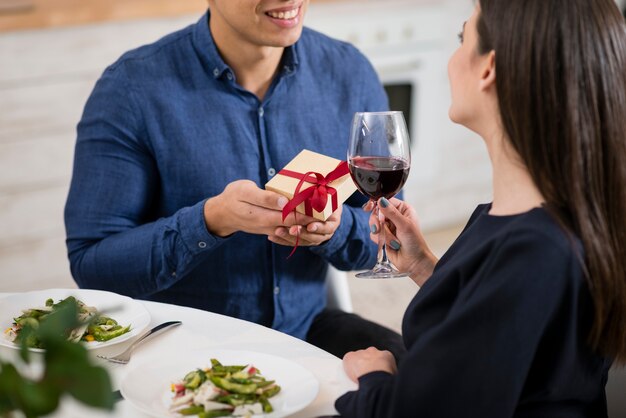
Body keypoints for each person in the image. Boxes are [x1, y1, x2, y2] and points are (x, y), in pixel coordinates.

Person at [64, 0, 406, 361]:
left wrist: (332, 230)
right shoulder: (131, 88)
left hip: (305, 333)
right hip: (182, 347)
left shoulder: (348, 72)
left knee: (428, 378)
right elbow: (93, 267)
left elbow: (388, 239)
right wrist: (209, 222)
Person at [335, 0, 626, 416]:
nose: (454, 57)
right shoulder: (537, 222)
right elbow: (497, 326)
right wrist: (424, 266)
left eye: (462, 37)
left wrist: (377, 374)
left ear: (488, 68)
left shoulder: (534, 253)